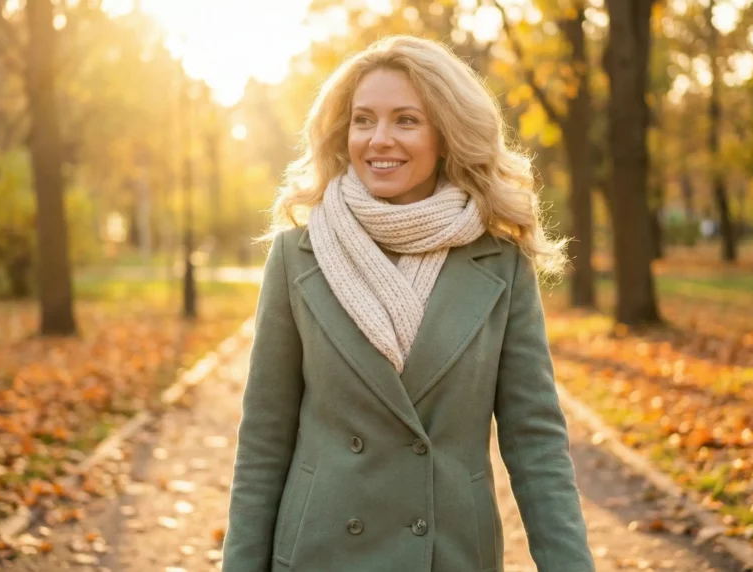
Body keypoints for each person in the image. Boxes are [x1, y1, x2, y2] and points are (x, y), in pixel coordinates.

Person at [222, 35, 593, 572]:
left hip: (449, 552)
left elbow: (535, 441)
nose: (379, 140)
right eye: (363, 120)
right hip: (321, 552)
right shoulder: (296, 257)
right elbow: (263, 443)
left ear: (446, 135)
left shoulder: (500, 263)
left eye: (406, 120)